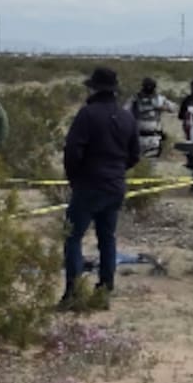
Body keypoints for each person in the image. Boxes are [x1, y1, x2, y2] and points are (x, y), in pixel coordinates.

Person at [60, 67, 140, 309]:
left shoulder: (87, 114)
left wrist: (75, 177)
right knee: (107, 238)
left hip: (89, 184)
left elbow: (72, 150)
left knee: (72, 237)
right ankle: (105, 288)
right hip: (115, 185)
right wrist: (117, 171)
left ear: (93, 88)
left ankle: (73, 292)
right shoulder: (127, 117)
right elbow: (135, 154)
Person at [128, 77, 177, 159]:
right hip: (138, 136)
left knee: (150, 163)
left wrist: (163, 107)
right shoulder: (135, 99)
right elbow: (125, 111)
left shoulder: (159, 99)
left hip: (153, 137)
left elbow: (174, 108)